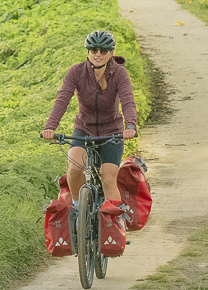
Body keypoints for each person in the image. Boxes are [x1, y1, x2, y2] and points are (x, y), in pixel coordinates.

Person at [40, 30, 139, 217]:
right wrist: (50, 127)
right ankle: (78, 210)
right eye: (94, 49)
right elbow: (62, 99)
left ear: (111, 52)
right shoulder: (76, 72)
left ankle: (114, 224)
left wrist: (130, 126)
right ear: (88, 51)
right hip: (84, 130)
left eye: (103, 50)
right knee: (75, 168)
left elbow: (127, 100)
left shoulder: (119, 74)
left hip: (112, 133)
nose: (98, 54)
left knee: (108, 179)